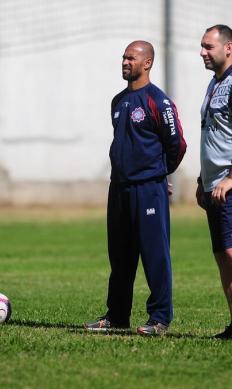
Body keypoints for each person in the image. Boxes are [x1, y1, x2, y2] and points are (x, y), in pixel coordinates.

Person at [84, 40, 186, 335]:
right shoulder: (118, 101)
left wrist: (159, 174)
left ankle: (160, 318)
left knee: (155, 254)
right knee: (120, 256)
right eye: (123, 57)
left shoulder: (158, 101)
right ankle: (116, 316)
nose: (125, 62)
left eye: (131, 58)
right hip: (119, 189)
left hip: (148, 189)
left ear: (147, 63)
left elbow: (177, 143)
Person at [196, 24, 232, 339]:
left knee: (231, 253)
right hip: (212, 186)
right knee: (223, 254)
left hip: (228, 186)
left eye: (208, 46)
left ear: (228, 48)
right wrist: (201, 179)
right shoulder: (214, 83)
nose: (202, 52)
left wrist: (231, 178)